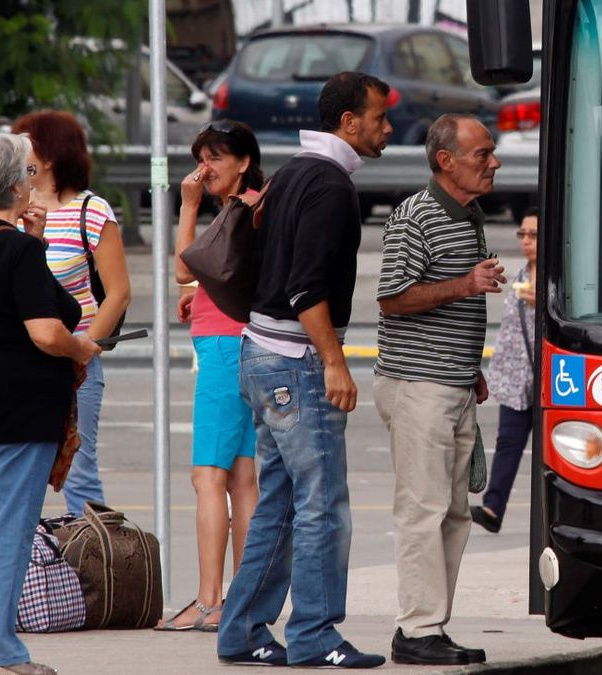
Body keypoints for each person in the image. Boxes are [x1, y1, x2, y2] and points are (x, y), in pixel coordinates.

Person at [216, 71, 391, 669]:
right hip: (296, 360)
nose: (387, 128)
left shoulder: (293, 171)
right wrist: (335, 364)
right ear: (348, 121)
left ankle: (242, 629)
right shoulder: (330, 185)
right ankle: (316, 634)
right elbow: (307, 288)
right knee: (322, 504)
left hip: (260, 354)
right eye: (379, 117)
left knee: (281, 502)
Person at [0, 131, 101, 675]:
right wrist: (82, 347)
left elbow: (39, 300)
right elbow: (50, 331)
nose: (34, 179)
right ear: (15, 183)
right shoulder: (18, 250)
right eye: (29, 172)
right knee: (11, 526)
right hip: (20, 402)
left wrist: (31, 237)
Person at [373, 113, 504, 666]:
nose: (494, 162)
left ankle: (430, 626)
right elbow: (392, 298)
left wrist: (469, 365)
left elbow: (444, 304)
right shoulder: (415, 216)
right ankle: (417, 629)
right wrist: (466, 284)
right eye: (482, 154)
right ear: (445, 161)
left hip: (449, 382)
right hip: (417, 385)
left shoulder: (467, 215)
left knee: (453, 513)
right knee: (423, 511)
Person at [156, 120, 263, 632]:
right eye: (202, 156)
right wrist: (199, 295)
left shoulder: (241, 209)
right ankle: (240, 599)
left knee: (208, 478)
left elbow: (183, 267)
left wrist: (188, 206)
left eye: (217, 157)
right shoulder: (250, 210)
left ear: (243, 162)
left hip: (223, 348)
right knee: (243, 478)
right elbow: (214, 278)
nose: (206, 168)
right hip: (242, 341)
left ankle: (208, 601)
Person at [10, 110, 130, 516]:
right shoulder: (10, 207)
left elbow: (118, 292)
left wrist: (87, 346)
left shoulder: (90, 210)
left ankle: (92, 566)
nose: (19, 152)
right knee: (21, 468)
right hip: (22, 358)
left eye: (27, 144)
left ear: (50, 155)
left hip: (74, 359)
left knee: (78, 470)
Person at [471, 207, 538, 533]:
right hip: (515, 378)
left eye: (534, 235)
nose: (526, 241)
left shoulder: (560, 280)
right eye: (523, 234)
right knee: (508, 442)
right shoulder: (523, 276)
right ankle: (492, 508)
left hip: (550, 381)